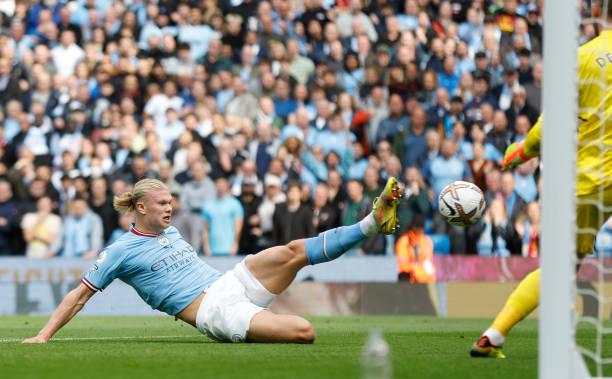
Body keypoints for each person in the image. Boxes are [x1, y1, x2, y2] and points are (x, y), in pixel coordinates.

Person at [23, 177, 401, 344]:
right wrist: (44, 335)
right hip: (214, 313)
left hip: (231, 281)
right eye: (162, 204)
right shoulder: (120, 251)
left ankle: (371, 222)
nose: (171, 208)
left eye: (171, 202)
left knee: (293, 251)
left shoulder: (170, 230)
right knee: (305, 332)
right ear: (140, 208)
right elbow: (79, 295)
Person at [471, 3, 612, 358]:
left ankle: (495, 334)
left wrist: (524, 150)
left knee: (560, 267)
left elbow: (555, 118)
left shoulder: (585, 56)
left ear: (601, 14)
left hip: (592, 181)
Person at [201, 176, 244, 256]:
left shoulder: (235, 204)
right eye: (218, 183)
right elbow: (205, 229)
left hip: (229, 249)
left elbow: (238, 228)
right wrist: (206, 247)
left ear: (227, 185)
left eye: (223, 183)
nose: (220, 186)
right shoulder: (207, 205)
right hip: (212, 250)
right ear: (215, 185)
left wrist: (235, 245)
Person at [395, 215, 435, 283]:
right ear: (413, 227)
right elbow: (403, 265)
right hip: (408, 279)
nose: (420, 231)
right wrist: (417, 266)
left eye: (422, 229)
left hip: (425, 280)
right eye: (418, 228)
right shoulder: (404, 241)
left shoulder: (427, 241)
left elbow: (428, 262)